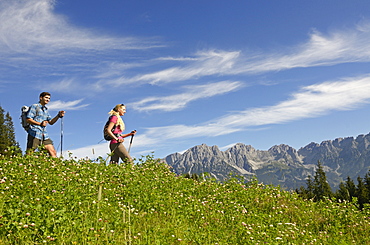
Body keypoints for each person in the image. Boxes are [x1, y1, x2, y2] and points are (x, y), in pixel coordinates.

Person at [26, 92, 65, 157]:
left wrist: (58, 115)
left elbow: (51, 122)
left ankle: (54, 166)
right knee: (30, 154)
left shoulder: (46, 110)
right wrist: (40, 124)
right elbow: (28, 119)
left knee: (52, 152)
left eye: (49, 98)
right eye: (46, 98)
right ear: (41, 98)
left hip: (44, 135)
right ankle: (24, 165)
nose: (48, 100)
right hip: (34, 133)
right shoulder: (35, 106)